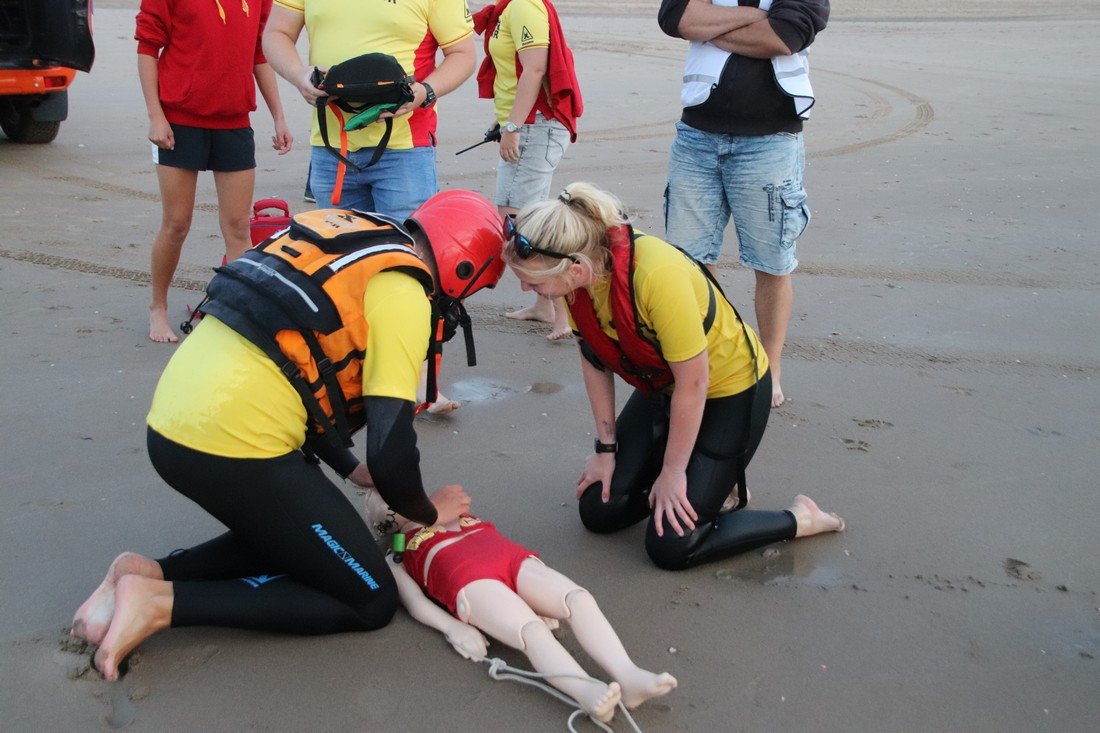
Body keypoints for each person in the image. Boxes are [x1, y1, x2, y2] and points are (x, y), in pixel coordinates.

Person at [70, 191, 508, 680]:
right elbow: (391, 451)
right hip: (232, 444)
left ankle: (148, 573)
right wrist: (427, 513)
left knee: (301, 533)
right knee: (369, 598)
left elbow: (298, 363)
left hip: (172, 426)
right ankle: (160, 603)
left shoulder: (347, 236)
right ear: (465, 268)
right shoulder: (405, 291)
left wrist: (349, 469)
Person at [503, 182, 844, 571]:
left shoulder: (656, 274)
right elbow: (594, 359)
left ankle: (799, 518)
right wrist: (606, 450)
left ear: (575, 267)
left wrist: (672, 472)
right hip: (662, 388)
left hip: (730, 390)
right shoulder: (575, 279)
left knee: (673, 546)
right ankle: (707, 485)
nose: (525, 287)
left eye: (533, 281)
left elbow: (695, 382)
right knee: (599, 510)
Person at [363, 489, 677, 723]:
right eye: (391, 502)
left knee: (577, 598)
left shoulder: (453, 510)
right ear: (385, 523)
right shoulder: (398, 557)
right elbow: (414, 602)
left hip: (514, 560)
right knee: (531, 631)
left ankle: (629, 674)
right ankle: (585, 691)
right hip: (469, 581)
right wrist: (452, 627)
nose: (405, 498)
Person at [658, 0, 829, 407]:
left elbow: (783, 36)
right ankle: (711, 357)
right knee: (689, 261)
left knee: (770, 262)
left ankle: (769, 369)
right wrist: (756, 19)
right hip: (696, 135)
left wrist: (710, 27)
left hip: (770, 140)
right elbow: (675, 18)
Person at [136, 0, 293, 344]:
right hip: (179, 120)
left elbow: (258, 54)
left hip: (234, 121)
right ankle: (158, 307)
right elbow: (148, 48)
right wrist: (155, 115)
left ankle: (240, 312)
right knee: (177, 223)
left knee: (238, 226)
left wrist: (278, 115)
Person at [262, 0, 476, 220]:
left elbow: (462, 53)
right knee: (341, 252)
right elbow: (277, 33)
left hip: (404, 147)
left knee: (403, 250)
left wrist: (426, 91)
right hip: (332, 147)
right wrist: (299, 76)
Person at [471, 0, 582, 341]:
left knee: (520, 226)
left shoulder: (523, 7)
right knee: (526, 221)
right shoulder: (510, 8)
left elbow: (535, 69)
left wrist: (514, 125)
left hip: (537, 126)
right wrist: (504, 120)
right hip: (529, 124)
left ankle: (565, 316)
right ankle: (545, 307)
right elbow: (515, 74)